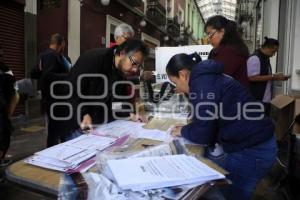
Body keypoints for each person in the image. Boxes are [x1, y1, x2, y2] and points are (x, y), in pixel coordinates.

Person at [166, 53, 277, 200]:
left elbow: (203, 133)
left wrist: (184, 130)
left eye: (175, 83)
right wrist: (191, 128)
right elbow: (207, 121)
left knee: (231, 194)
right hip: (258, 144)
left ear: (183, 75)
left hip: (252, 151)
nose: (178, 88)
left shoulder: (201, 84)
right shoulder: (207, 78)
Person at [61, 39, 149, 139]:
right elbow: (70, 89)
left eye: (138, 66)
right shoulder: (93, 59)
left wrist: (130, 115)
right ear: (122, 53)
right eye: (134, 63)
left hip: (101, 126)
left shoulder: (121, 73)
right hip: (76, 123)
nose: (135, 70)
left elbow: (115, 103)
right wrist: (84, 114)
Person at [31, 33, 71, 147]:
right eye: (64, 44)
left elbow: (33, 73)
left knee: (55, 129)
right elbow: (48, 76)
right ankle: (58, 152)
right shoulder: (54, 56)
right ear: (61, 43)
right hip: (57, 100)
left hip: (49, 99)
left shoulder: (42, 56)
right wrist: (67, 76)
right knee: (58, 131)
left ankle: (58, 150)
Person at [247, 37, 290, 116]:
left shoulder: (265, 58)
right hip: (256, 99)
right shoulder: (255, 58)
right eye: (273, 51)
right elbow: (252, 77)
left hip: (265, 99)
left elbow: (264, 75)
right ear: (267, 48)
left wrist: (275, 76)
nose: (274, 54)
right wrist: (274, 77)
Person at [205, 15, 249, 88]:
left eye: (210, 34)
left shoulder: (228, 53)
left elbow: (217, 82)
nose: (209, 39)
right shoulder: (233, 48)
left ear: (222, 32)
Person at [0, 47, 17, 166]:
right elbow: (14, 95)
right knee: (3, 139)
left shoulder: (6, 72)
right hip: (2, 113)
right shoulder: (6, 72)